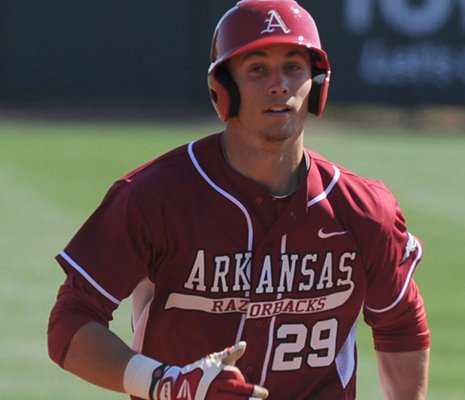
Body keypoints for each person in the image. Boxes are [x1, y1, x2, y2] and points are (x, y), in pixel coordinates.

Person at [47, 1, 431, 399]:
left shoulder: (363, 210)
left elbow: (400, 323)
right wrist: (165, 384)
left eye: (294, 67)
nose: (279, 84)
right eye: (257, 69)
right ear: (222, 88)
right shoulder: (155, 197)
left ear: (317, 84)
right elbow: (70, 322)